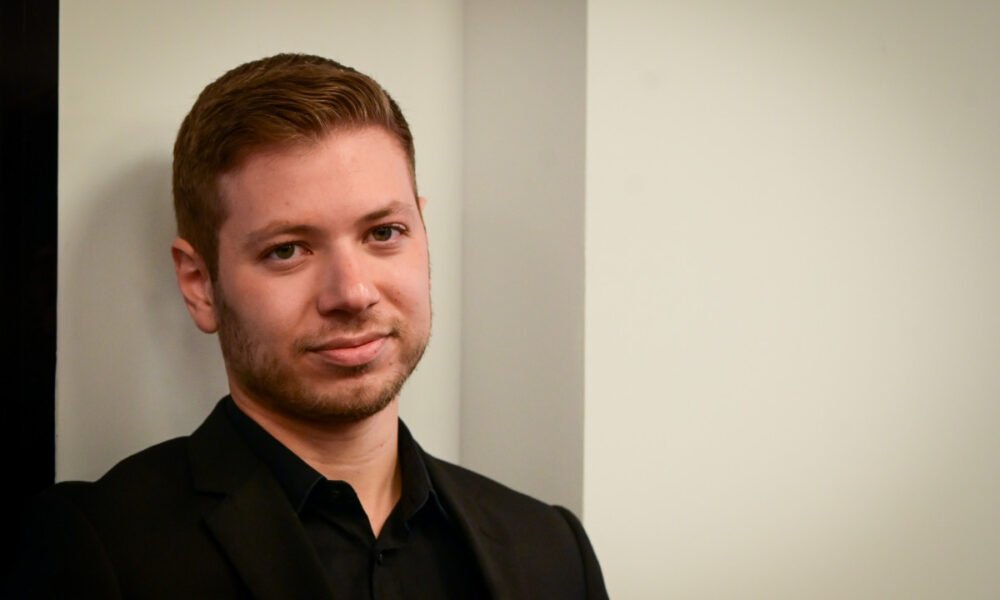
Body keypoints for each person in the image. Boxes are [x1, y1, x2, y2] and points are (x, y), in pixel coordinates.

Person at [8, 53, 607, 599]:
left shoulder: (551, 548)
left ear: (422, 233)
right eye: (287, 250)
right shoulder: (94, 551)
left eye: (383, 233)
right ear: (199, 284)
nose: (352, 294)